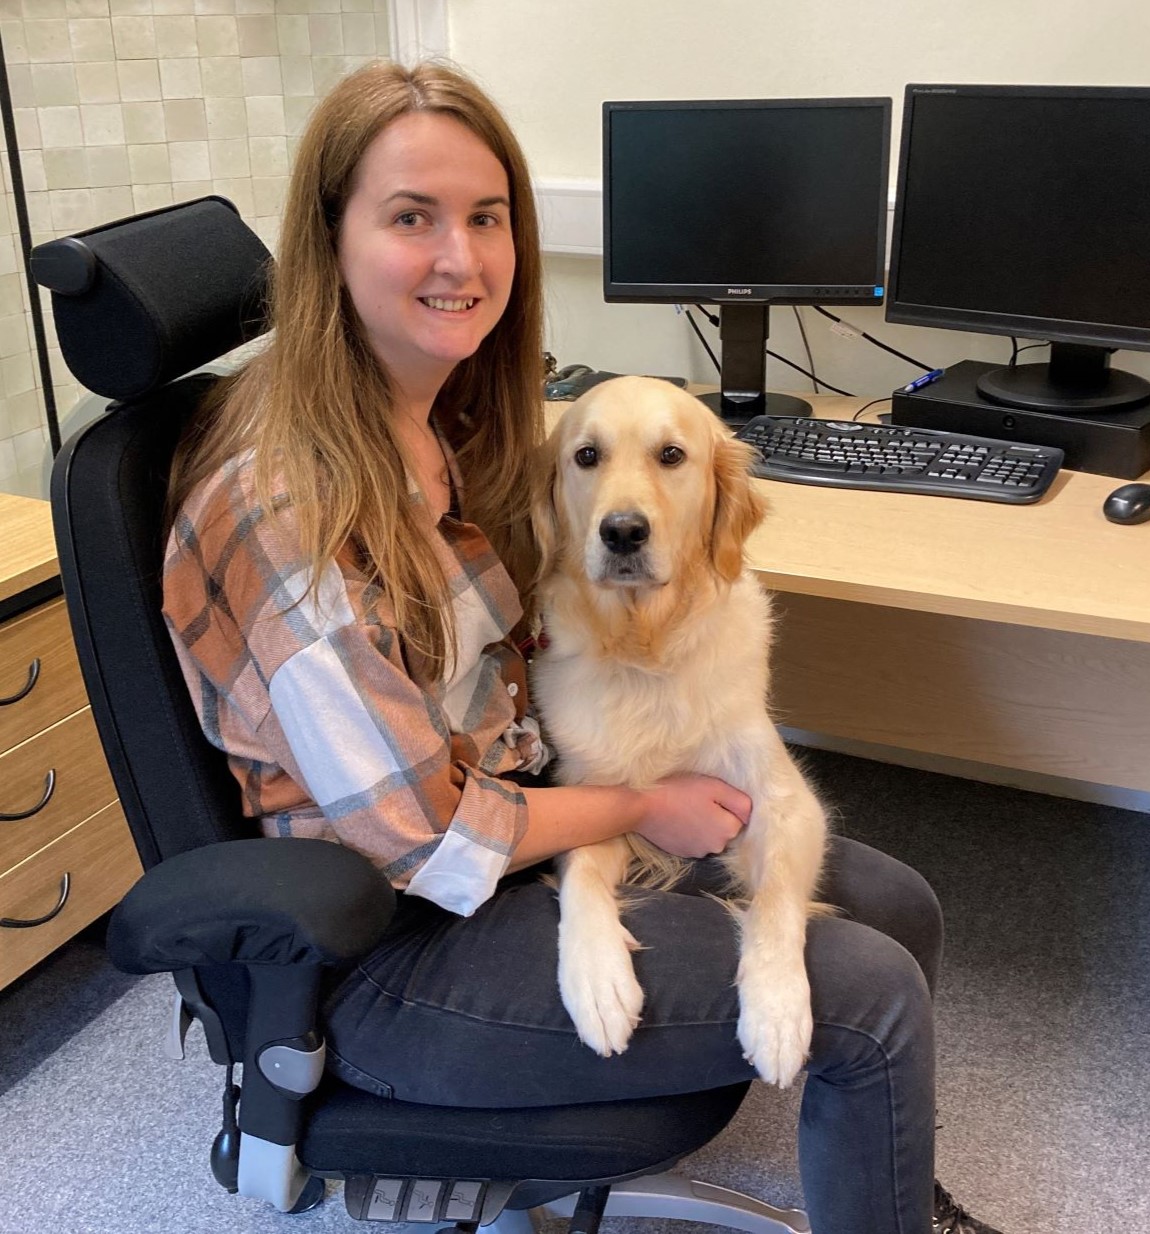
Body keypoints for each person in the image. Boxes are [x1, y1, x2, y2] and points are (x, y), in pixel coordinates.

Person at [161, 59, 1006, 1234]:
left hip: (521, 822)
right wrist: (634, 810)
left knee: (894, 906)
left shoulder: (443, 420)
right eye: (412, 217)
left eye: (487, 216)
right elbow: (422, 833)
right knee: (869, 1002)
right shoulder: (290, 509)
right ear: (329, 240)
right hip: (389, 943)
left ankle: (887, 1182)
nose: (460, 257)